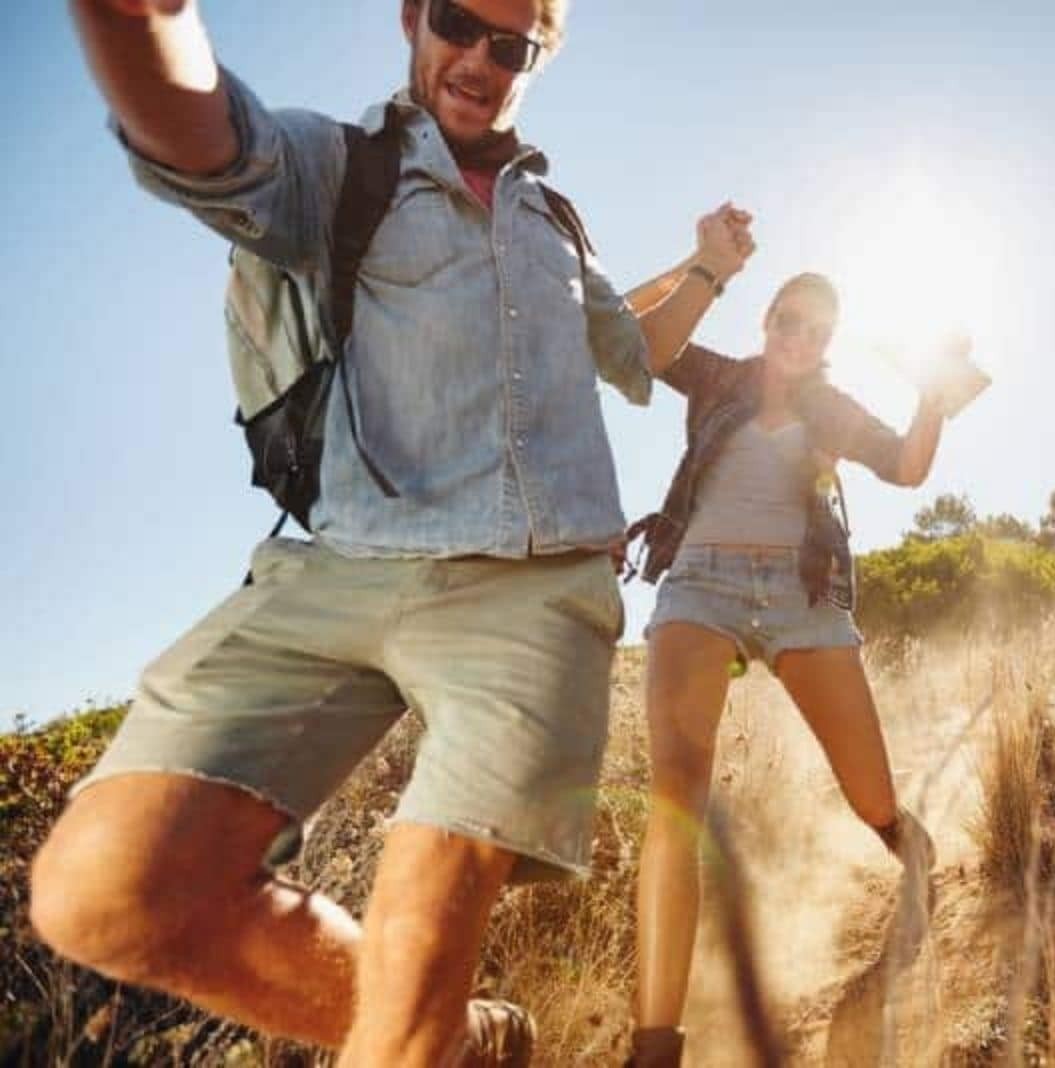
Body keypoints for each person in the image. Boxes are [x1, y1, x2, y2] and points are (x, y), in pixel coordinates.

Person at [29, 2, 752, 1064]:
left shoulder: (555, 224)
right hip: (339, 567)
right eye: (460, 21)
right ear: (414, 15)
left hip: (530, 587)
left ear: (536, 62)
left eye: (512, 46)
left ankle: (423, 1026)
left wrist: (709, 271)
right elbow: (201, 134)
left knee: (416, 940)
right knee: (103, 891)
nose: (479, 59)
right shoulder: (335, 166)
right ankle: (463, 1041)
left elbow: (632, 352)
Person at [623, 271, 965, 1066]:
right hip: (699, 586)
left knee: (870, 795)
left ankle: (904, 843)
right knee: (675, 800)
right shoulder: (713, 374)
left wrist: (933, 396)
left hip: (800, 597)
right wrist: (698, 266)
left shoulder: (832, 409)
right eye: (789, 320)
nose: (800, 338)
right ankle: (653, 1045)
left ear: (828, 345)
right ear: (768, 317)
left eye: (817, 330)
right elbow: (623, 327)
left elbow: (909, 467)